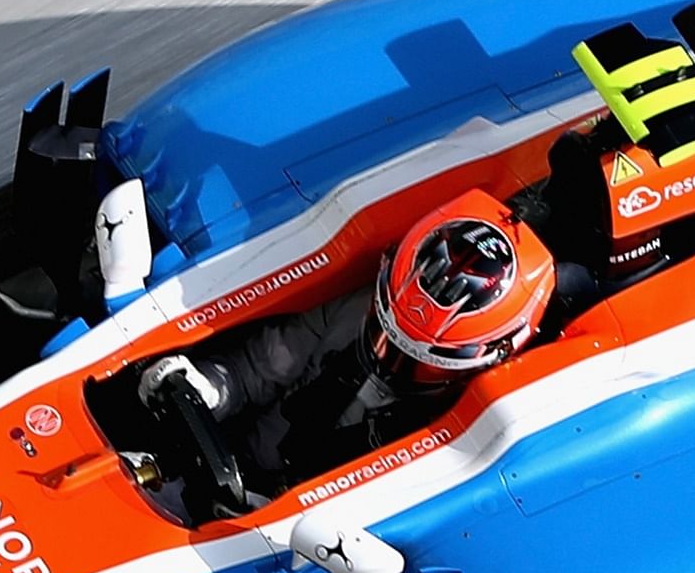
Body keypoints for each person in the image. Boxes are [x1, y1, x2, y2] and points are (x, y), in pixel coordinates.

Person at [136, 189, 564, 507]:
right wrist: (206, 387)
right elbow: (256, 370)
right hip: (240, 467)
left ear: (492, 353)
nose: (387, 359)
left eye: (421, 358)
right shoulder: (354, 311)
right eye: (386, 327)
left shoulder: (488, 422)